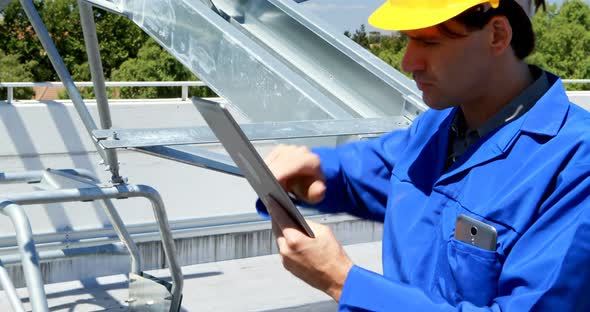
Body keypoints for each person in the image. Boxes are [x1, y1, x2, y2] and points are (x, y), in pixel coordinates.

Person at [258, 0, 590, 310]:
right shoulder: (435, 126)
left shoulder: (574, 164)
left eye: (429, 42)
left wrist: (343, 282)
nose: (408, 62)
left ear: (497, 35)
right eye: (408, 40)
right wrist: (318, 168)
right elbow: (382, 166)